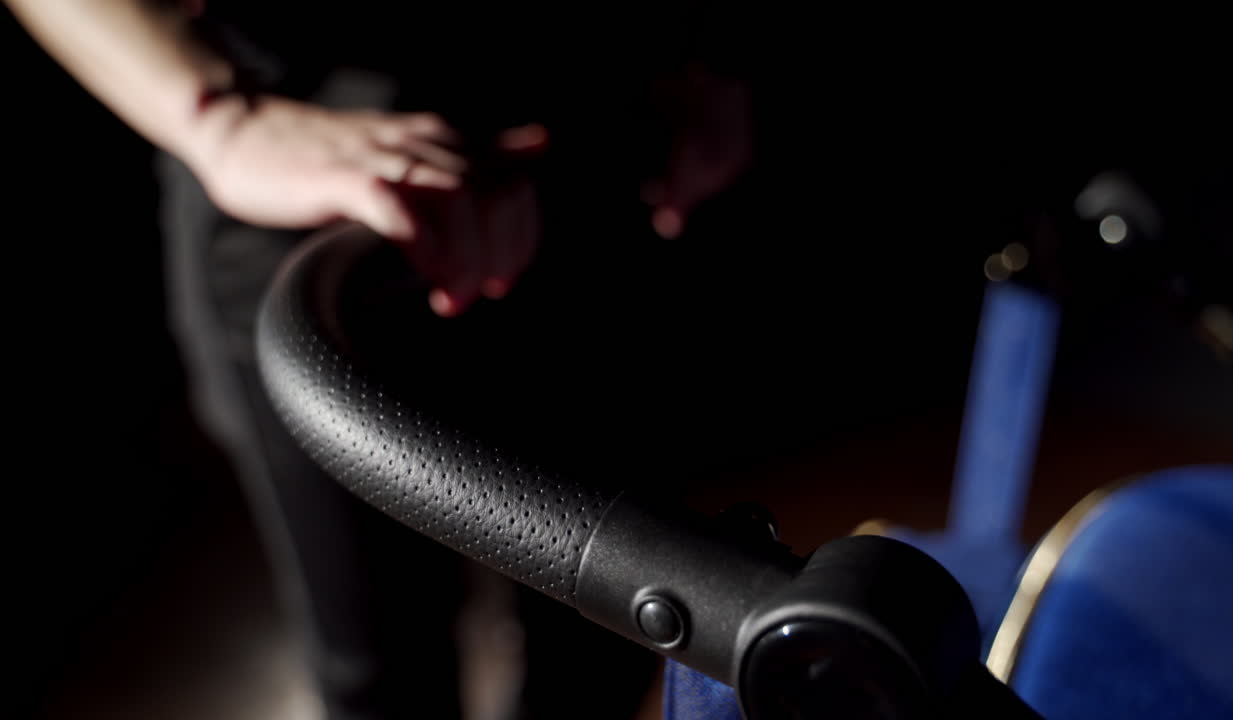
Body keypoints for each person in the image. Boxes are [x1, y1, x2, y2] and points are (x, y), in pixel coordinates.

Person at [3, 2, 753, 718]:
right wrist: (223, 121)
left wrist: (709, 57)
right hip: (309, 207)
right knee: (384, 669)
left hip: (590, 159)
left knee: (606, 641)